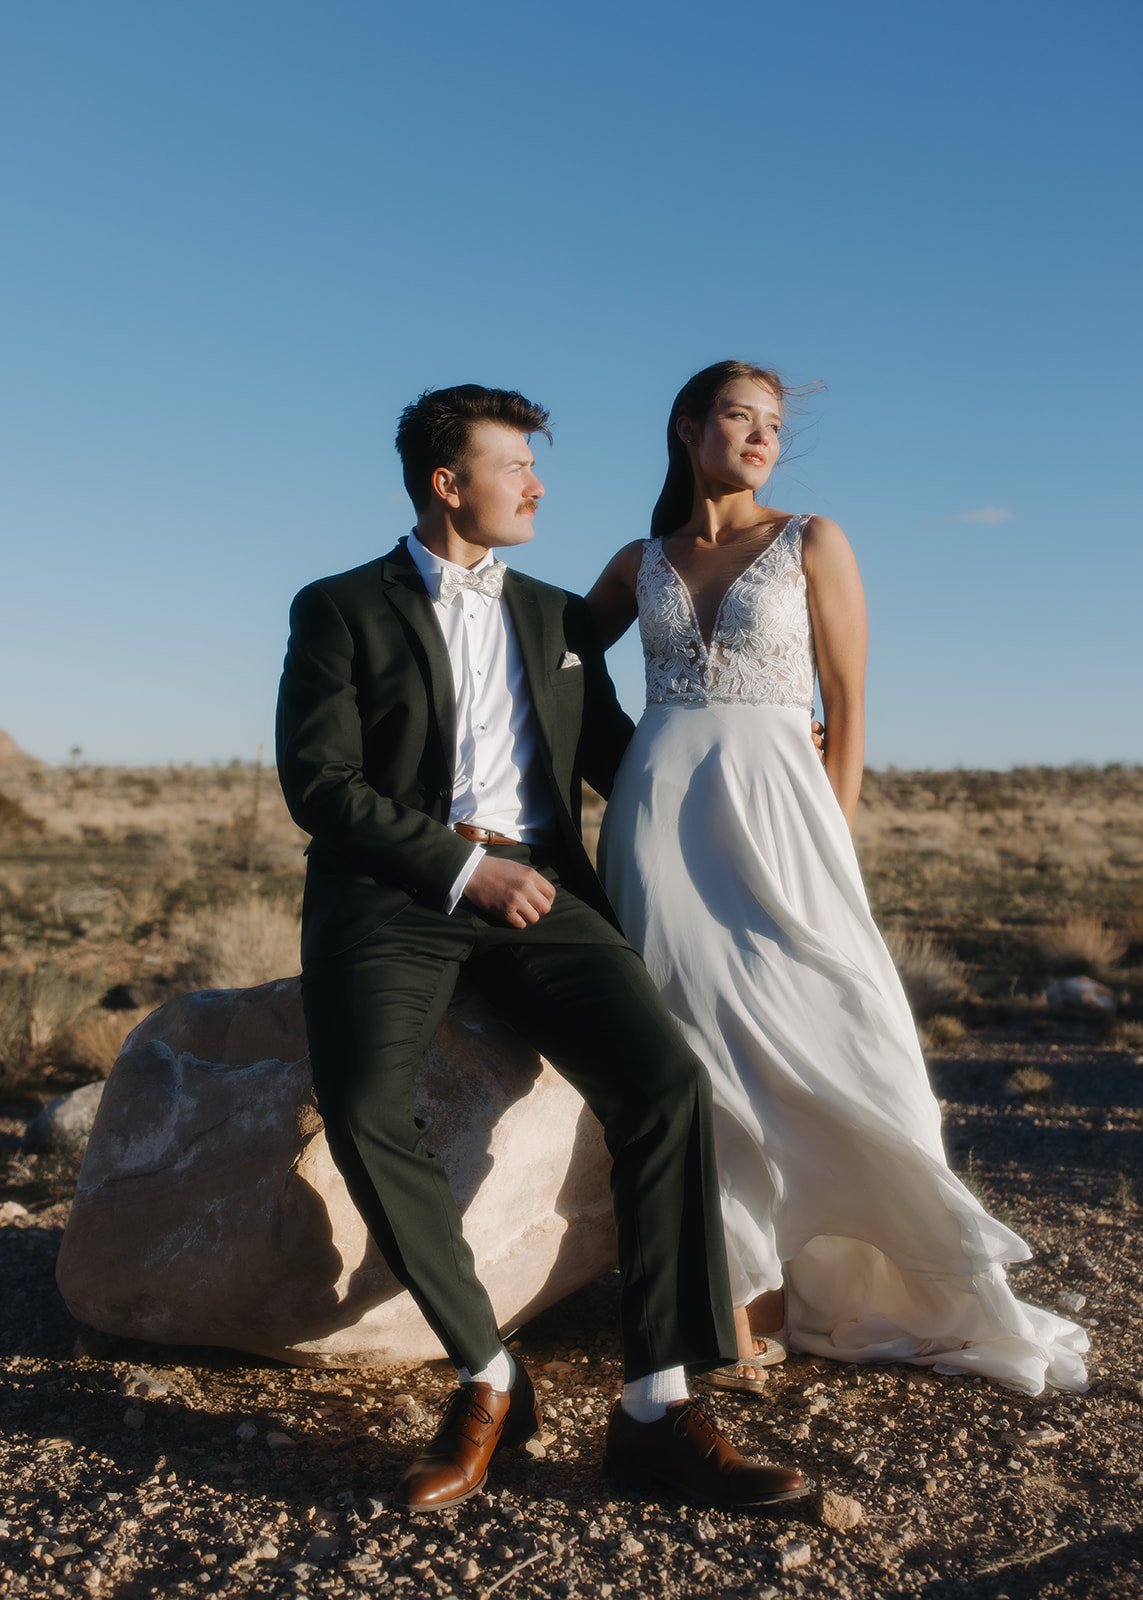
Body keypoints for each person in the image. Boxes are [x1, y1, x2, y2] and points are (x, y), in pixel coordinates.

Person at [276, 383, 814, 1512]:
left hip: (546, 892)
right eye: (514, 464)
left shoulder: (561, 617)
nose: (538, 483)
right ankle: (487, 1374)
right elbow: (319, 785)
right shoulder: (337, 608)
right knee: (367, 1106)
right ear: (446, 482)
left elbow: (623, 754)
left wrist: (760, 774)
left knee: (665, 1086)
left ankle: (657, 1404)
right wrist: (467, 869)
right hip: (397, 895)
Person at [589, 360, 1088, 1398]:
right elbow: (537, 655)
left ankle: (907, 1261)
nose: (765, 436)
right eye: (741, 416)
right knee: (698, 1050)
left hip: (783, 814)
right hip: (655, 824)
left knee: (845, 1026)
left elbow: (851, 708)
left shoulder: (814, 539)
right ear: (688, 428)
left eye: (775, 423)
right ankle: (746, 1297)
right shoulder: (641, 558)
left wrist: (833, 836)